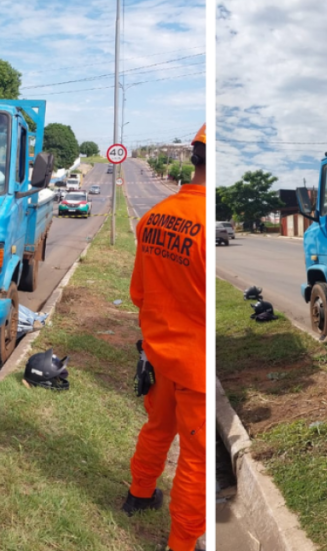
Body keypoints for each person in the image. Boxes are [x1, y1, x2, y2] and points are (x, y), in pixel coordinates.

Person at [123, 124, 206, 551]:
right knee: (197, 460)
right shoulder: (207, 225)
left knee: (158, 428)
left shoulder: (154, 217)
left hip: (160, 354)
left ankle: (139, 494)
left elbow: (139, 293)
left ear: (193, 158)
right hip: (196, 366)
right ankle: (182, 543)